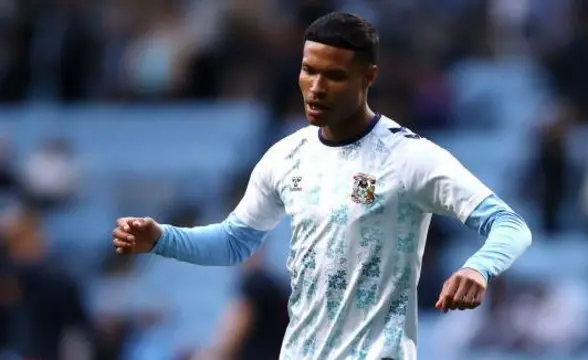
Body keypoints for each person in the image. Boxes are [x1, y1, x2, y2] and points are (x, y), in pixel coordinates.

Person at [112, 12, 532, 360]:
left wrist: (479, 267)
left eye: (333, 75)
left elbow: (510, 226)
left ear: (367, 78)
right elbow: (235, 242)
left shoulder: (410, 158)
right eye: (308, 71)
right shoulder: (285, 156)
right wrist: (162, 238)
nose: (316, 87)